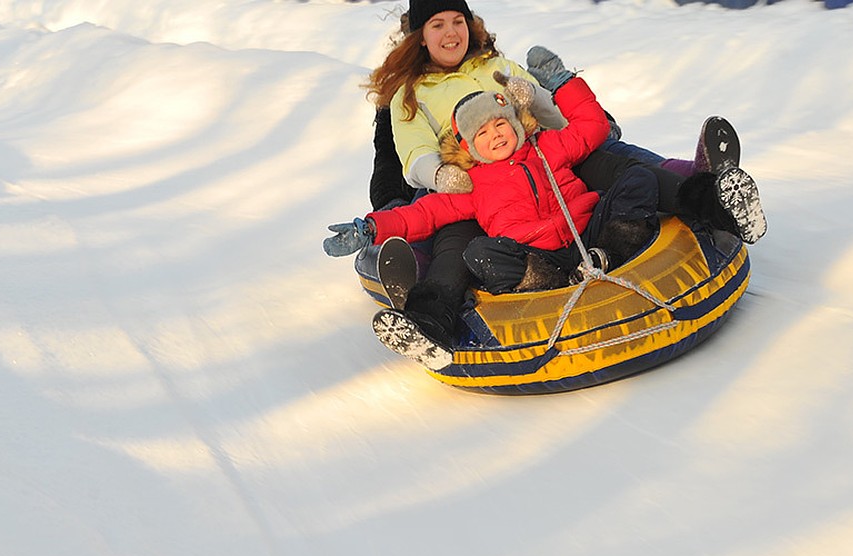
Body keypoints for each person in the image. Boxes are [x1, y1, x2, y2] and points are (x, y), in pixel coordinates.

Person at [325, 72, 766, 367]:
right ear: (469, 147)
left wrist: (565, 82)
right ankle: (444, 316)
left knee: (634, 178)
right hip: (536, 259)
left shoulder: (547, 148)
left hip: (591, 236)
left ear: (516, 124)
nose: (495, 134)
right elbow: (423, 214)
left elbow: (592, 128)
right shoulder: (471, 186)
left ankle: (696, 210)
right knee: (480, 252)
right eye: (483, 133)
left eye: (500, 124)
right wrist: (370, 228)